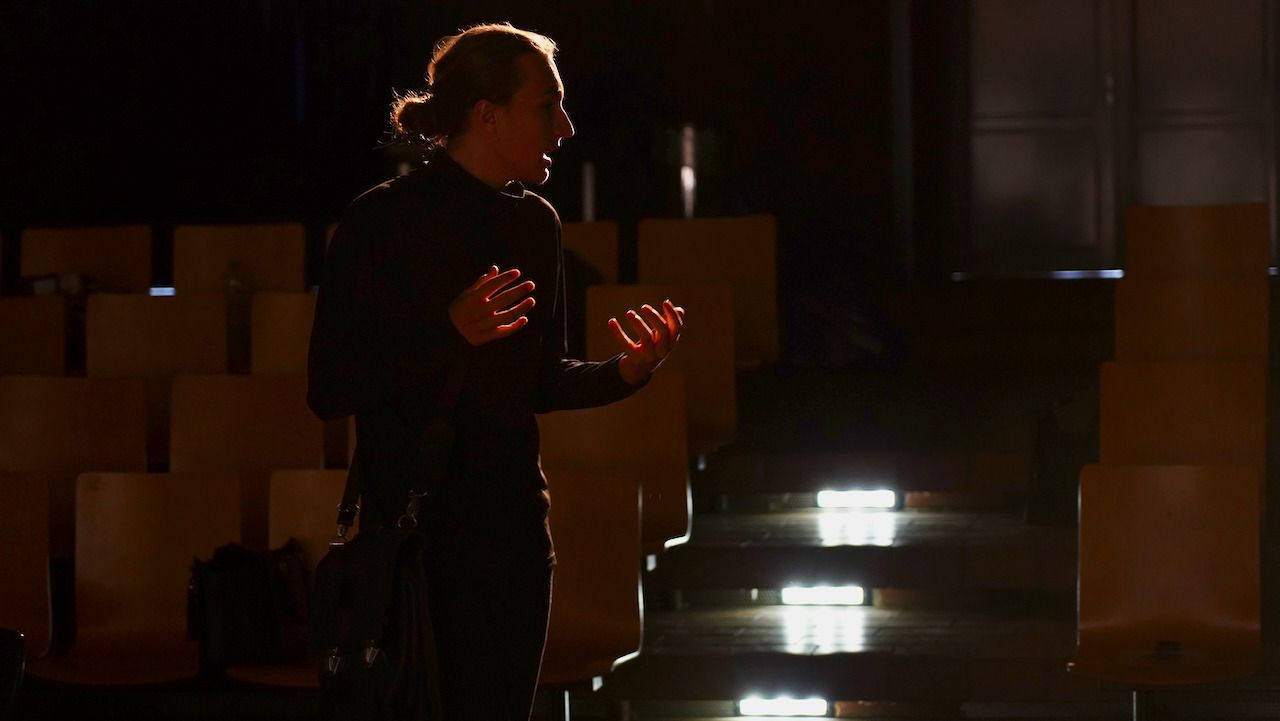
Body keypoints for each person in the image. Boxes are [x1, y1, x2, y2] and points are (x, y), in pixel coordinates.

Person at [306, 22, 684, 721]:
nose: (566, 127)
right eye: (547, 106)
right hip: (418, 543)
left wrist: (624, 373)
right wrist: (444, 332)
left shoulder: (536, 223)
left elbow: (540, 381)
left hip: (513, 537)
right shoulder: (380, 222)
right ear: (487, 115)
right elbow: (329, 388)